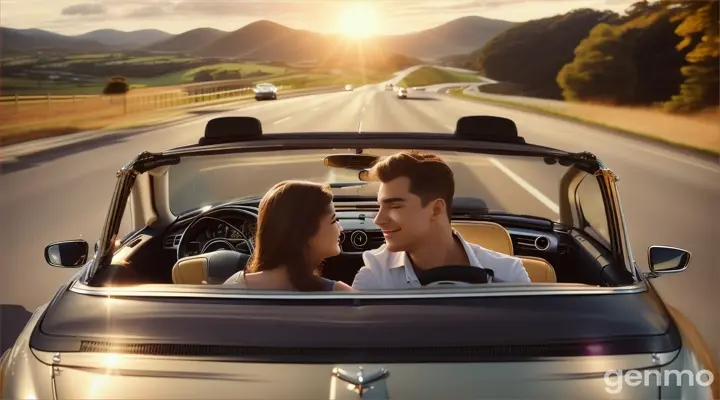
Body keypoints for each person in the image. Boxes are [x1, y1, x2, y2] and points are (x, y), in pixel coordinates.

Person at [352, 151, 531, 290]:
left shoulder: (508, 276)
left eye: (395, 206)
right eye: (380, 206)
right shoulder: (374, 277)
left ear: (436, 209)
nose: (378, 220)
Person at [224, 180, 354, 292]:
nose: (341, 228)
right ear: (304, 233)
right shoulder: (340, 295)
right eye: (333, 220)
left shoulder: (235, 285)